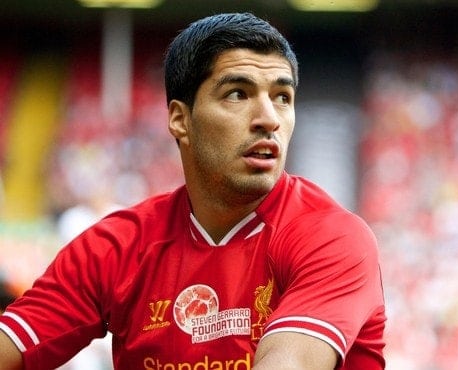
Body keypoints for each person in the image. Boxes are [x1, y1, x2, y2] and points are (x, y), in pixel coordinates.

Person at [0, 12, 386, 370]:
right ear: (180, 120)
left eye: (282, 97)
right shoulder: (114, 248)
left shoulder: (332, 238)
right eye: (237, 93)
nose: (269, 119)